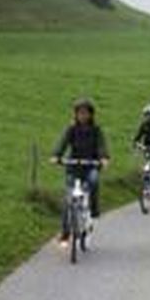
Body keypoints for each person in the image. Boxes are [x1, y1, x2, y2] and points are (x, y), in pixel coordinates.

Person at [50, 99, 110, 246]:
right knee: (68, 200)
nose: (82, 116)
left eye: (85, 113)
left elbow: (102, 146)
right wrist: (56, 156)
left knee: (94, 180)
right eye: (79, 113)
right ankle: (65, 234)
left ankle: (94, 209)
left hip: (91, 165)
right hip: (73, 167)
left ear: (91, 114)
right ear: (75, 114)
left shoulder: (96, 130)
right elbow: (62, 143)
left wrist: (103, 158)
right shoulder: (71, 129)